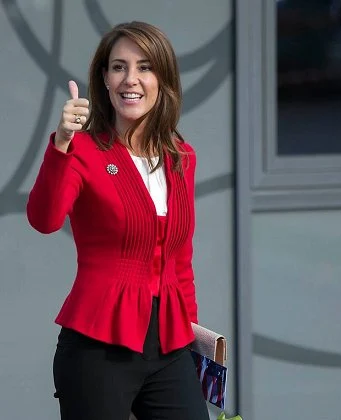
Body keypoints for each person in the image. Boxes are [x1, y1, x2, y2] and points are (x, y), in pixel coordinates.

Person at [26, 21, 209, 420]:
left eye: (145, 67)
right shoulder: (83, 149)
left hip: (170, 346)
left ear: (163, 79)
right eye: (118, 67)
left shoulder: (182, 156)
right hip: (98, 347)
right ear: (104, 80)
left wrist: (196, 342)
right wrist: (60, 144)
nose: (131, 79)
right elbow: (44, 219)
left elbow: (181, 262)